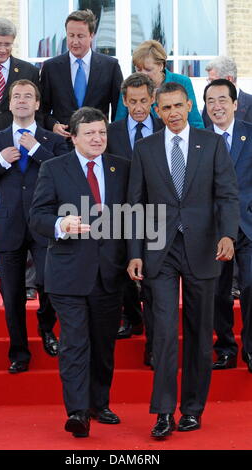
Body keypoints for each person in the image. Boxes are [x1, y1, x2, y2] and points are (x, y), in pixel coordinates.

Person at [127, 82, 239, 439]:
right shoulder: (144, 148)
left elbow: (227, 194)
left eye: (178, 106)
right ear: (157, 111)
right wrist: (134, 253)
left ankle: (192, 409)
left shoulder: (212, 143)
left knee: (198, 333)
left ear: (189, 105)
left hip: (203, 247)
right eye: (166, 108)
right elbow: (135, 205)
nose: (173, 113)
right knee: (162, 333)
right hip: (159, 250)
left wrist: (227, 234)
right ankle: (162, 413)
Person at [30, 107, 130, 438]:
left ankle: (98, 403)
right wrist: (61, 223)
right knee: (75, 342)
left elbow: (134, 218)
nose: (98, 138)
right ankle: (77, 412)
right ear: (73, 136)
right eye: (89, 133)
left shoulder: (121, 169)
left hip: (109, 273)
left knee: (103, 344)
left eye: (102, 132)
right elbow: (38, 217)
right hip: (68, 274)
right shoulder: (53, 168)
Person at [0, 80, 69, 373]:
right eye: (17, 96)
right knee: (11, 294)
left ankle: (46, 327)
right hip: (9, 226)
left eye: (29, 96)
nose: (23, 101)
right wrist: (0, 161)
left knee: (50, 286)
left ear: (38, 104)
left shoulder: (51, 141)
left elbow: (67, 175)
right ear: (10, 103)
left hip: (44, 226)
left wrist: (37, 149)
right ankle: (19, 352)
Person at [0, 18, 41, 309]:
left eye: (7, 44)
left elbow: (39, 106)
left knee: (25, 214)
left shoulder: (27, 71)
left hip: (20, 153)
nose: (2, 49)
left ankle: (27, 283)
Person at [107, 72, 164, 367]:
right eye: (132, 102)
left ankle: (153, 347)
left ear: (153, 100)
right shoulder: (111, 132)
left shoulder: (163, 127)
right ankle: (133, 318)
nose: (138, 107)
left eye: (143, 101)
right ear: (124, 101)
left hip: (157, 216)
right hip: (120, 215)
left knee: (154, 284)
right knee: (124, 274)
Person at [204, 78, 252, 373]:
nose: (217, 106)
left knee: (250, 287)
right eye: (211, 101)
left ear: (235, 104)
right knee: (218, 292)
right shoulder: (198, 139)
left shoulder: (251, 135)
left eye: (223, 100)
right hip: (212, 228)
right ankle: (224, 348)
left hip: (248, 225)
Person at [40, 9, 123, 144]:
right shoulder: (51, 67)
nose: (75, 41)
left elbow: (118, 110)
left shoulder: (110, 66)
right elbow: (41, 110)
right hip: (62, 146)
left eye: (80, 36)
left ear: (92, 35)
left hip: (97, 144)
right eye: (71, 35)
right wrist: (53, 125)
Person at [115, 39, 204, 129]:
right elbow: (119, 125)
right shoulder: (130, 86)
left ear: (161, 66)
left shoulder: (182, 82)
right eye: (138, 69)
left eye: (148, 69)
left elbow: (195, 122)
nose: (142, 74)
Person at [202, 56, 252, 127]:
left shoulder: (250, 103)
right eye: (209, 81)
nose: (210, 85)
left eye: (213, 81)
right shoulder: (209, 105)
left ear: (229, 79)